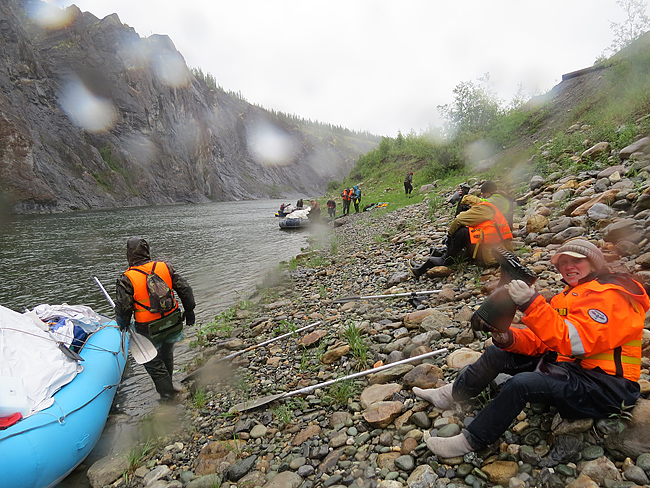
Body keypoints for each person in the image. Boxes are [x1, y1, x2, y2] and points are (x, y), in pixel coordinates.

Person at [413, 238, 650, 458]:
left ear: (594, 263)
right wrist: (509, 339)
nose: (568, 267)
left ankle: (470, 441)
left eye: (576, 260)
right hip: (573, 370)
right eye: (563, 262)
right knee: (498, 352)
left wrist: (531, 303)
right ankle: (451, 394)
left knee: (523, 384)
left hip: (605, 387)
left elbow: (578, 343)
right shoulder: (568, 297)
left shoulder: (614, 296)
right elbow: (547, 341)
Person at [115, 237, 196, 401]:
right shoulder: (164, 267)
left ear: (129, 254)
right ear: (146, 251)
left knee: (153, 362)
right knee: (167, 353)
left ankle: (167, 397)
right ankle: (170, 386)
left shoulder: (126, 279)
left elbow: (124, 308)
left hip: (148, 328)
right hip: (173, 322)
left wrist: (122, 325)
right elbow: (185, 289)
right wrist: (189, 311)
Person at [408, 194, 513, 278]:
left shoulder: (481, 209)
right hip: (497, 248)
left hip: (492, 254)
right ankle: (438, 257)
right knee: (465, 231)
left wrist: (449, 236)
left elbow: (459, 220)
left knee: (461, 231)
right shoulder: (488, 207)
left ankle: (444, 259)